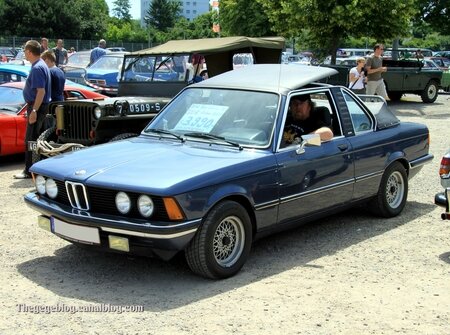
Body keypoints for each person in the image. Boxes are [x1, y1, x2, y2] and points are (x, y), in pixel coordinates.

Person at [14, 40, 51, 179]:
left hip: (37, 107)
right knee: (38, 139)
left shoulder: (37, 68)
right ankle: (38, 169)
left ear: (29, 51)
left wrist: (34, 111)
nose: (24, 54)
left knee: (31, 140)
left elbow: (40, 92)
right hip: (40, 106)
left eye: (25, 51)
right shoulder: (41, 65)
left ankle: (29, 171)